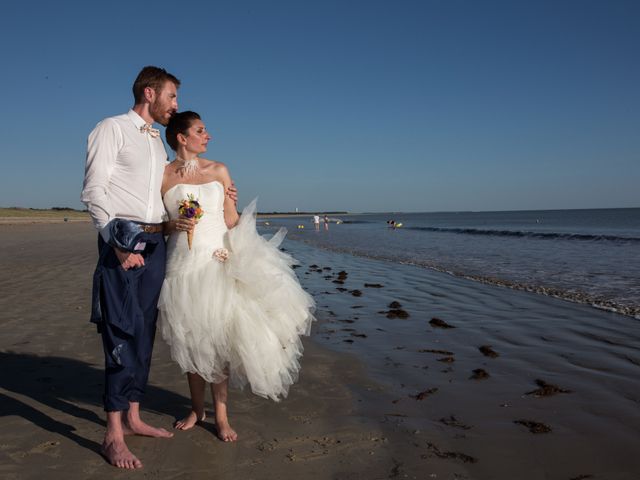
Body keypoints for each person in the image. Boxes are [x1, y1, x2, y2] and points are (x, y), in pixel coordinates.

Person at [158, 111, 314, 443]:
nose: (208, 135)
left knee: (218, 341)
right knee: (190, 340)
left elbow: (230, 221)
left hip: (217, 261)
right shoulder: (163, 176)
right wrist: (173, 225)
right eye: (201, 130)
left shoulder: (219, 170)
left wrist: (233, 204)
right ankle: (197, 410)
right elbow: (159, 221)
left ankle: (222, 416)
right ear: (181, 138)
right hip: (182, 265)